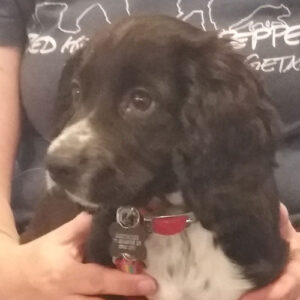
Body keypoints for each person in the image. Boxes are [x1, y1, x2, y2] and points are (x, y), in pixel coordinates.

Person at [0, 0, 299, 299]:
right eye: (80, 92)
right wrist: (10, 272)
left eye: (140, 102)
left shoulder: (251, 246)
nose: (63, 149)